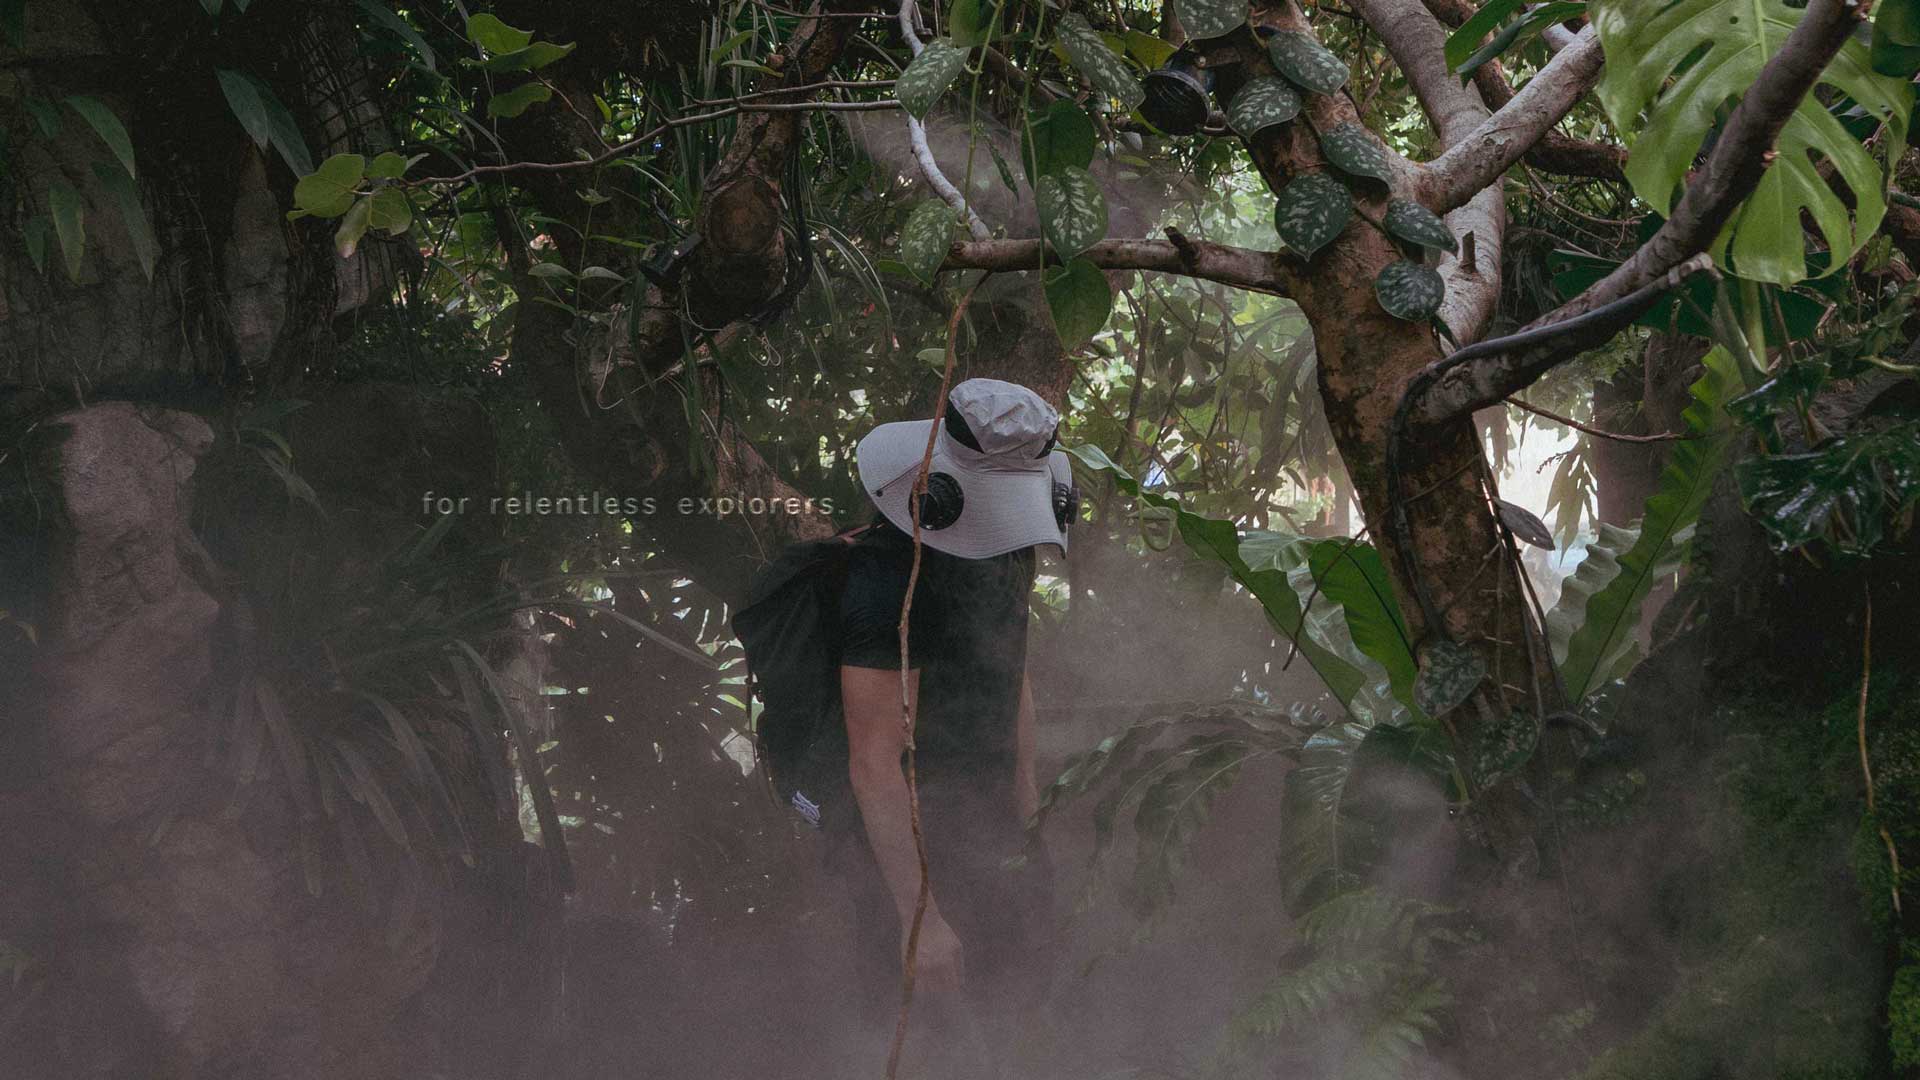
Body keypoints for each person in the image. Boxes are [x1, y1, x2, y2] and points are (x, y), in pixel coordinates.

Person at [825, 377, 1073, 1074]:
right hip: (904, 855)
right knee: (922, 1044)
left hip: (990, 826)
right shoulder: (888, 576)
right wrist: (920, 921)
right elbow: (874, 763)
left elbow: (1011, 671)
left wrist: (1029, 811)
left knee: (1013, 1016)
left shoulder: (1010, 549)